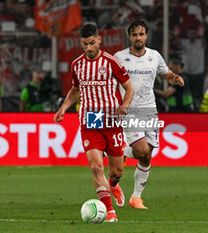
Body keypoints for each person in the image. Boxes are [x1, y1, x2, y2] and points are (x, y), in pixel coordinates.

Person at [53, 23, 134, 222]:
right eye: (84, 44)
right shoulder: (77, 65)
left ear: (99, 40)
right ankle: (110, 212)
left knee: (116, 170)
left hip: (112, 120)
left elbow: (129, 88)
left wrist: (124, 105)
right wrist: (63, 108)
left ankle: (113, 185)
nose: (88, 48)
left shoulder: (111, 62)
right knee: (96, 167)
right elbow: (75, 90)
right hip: (90, 120)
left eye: (91, 43)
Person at [114, 19, 184, 209]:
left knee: (147, 156)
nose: (138, 38)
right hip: (129, 111)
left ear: (146, 36)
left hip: (150, 110)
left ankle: (136, 197)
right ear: (129, 36)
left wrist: (174, 78)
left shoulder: (154, 56)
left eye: (141, 34)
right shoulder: (119, 57)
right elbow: (110, 81)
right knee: (142, 150)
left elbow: (165, 73)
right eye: (134, 34)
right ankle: (122, 153)